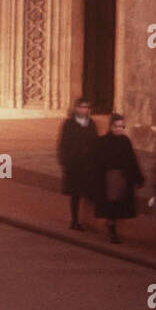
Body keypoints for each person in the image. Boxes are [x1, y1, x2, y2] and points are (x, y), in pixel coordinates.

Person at [95, 113, 143, 244]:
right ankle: (112, 230)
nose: (119, 129)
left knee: (119, 204)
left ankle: (113, 226)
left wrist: (138, 177)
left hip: (123, 176)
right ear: (111, 127)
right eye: (117, 126)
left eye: (122, 126)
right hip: (109, 177)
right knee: (112, 203)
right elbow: (98, 161)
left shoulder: (125, 141)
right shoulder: (103, 141)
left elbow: (132, 159)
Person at [57, 97, 101, 231]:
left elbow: (95, 142)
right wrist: (65, 160)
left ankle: (88, 221)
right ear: (76, 108)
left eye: (87, 107)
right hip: (74, 164)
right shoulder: (69, 124)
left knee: (90, 194)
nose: (84, 110)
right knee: (75, 194)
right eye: (82, 107)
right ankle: (75, 220)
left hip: (88, 164)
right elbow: (63, 143)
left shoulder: (91, 124)